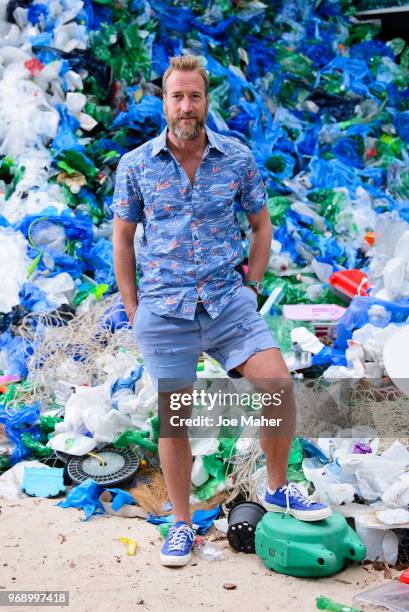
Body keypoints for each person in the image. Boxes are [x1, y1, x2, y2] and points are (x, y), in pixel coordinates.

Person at [112, 55, 331, 567]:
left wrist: (252, 285)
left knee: (276, 383)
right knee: (175, 417)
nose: (186, 106)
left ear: (207, 100)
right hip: (165, 307)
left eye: (195, 96)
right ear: (163, 102)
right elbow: (122, 240)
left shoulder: (235, 157)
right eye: (177, 97)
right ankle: (183, 525)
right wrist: (132, 307)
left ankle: (277, 489)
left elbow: (262, 225)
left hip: (227, 302)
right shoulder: (136, 165)